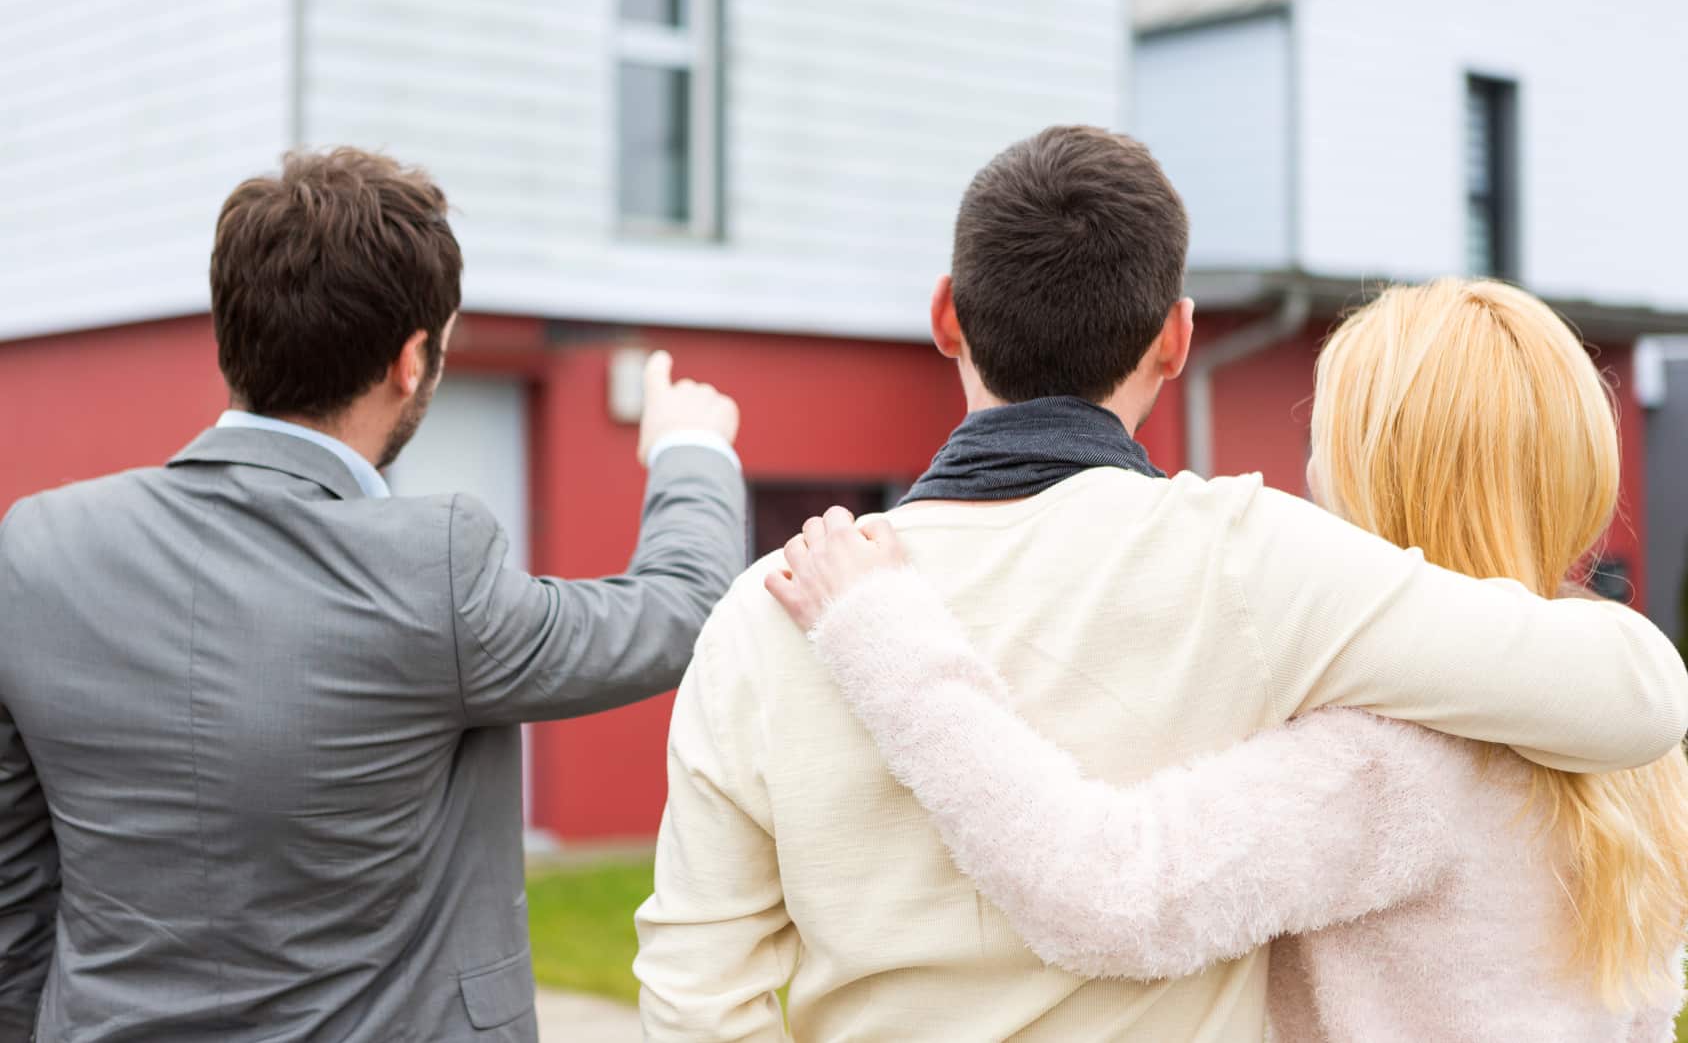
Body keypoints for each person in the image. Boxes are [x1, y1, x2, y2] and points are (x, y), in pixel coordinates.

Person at [632, 126, 1688, 1042]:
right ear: (1176, 338)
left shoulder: (767, 612)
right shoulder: (1253, 560)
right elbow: (1629, 697)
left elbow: (693, 997)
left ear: (946, 315)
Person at [0, 149, 747, 1041]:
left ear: (230, 332)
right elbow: (678, 610)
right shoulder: (430, 570)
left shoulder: (35, 552)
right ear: (412, 360)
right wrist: (689, 451)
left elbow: (15, 890)